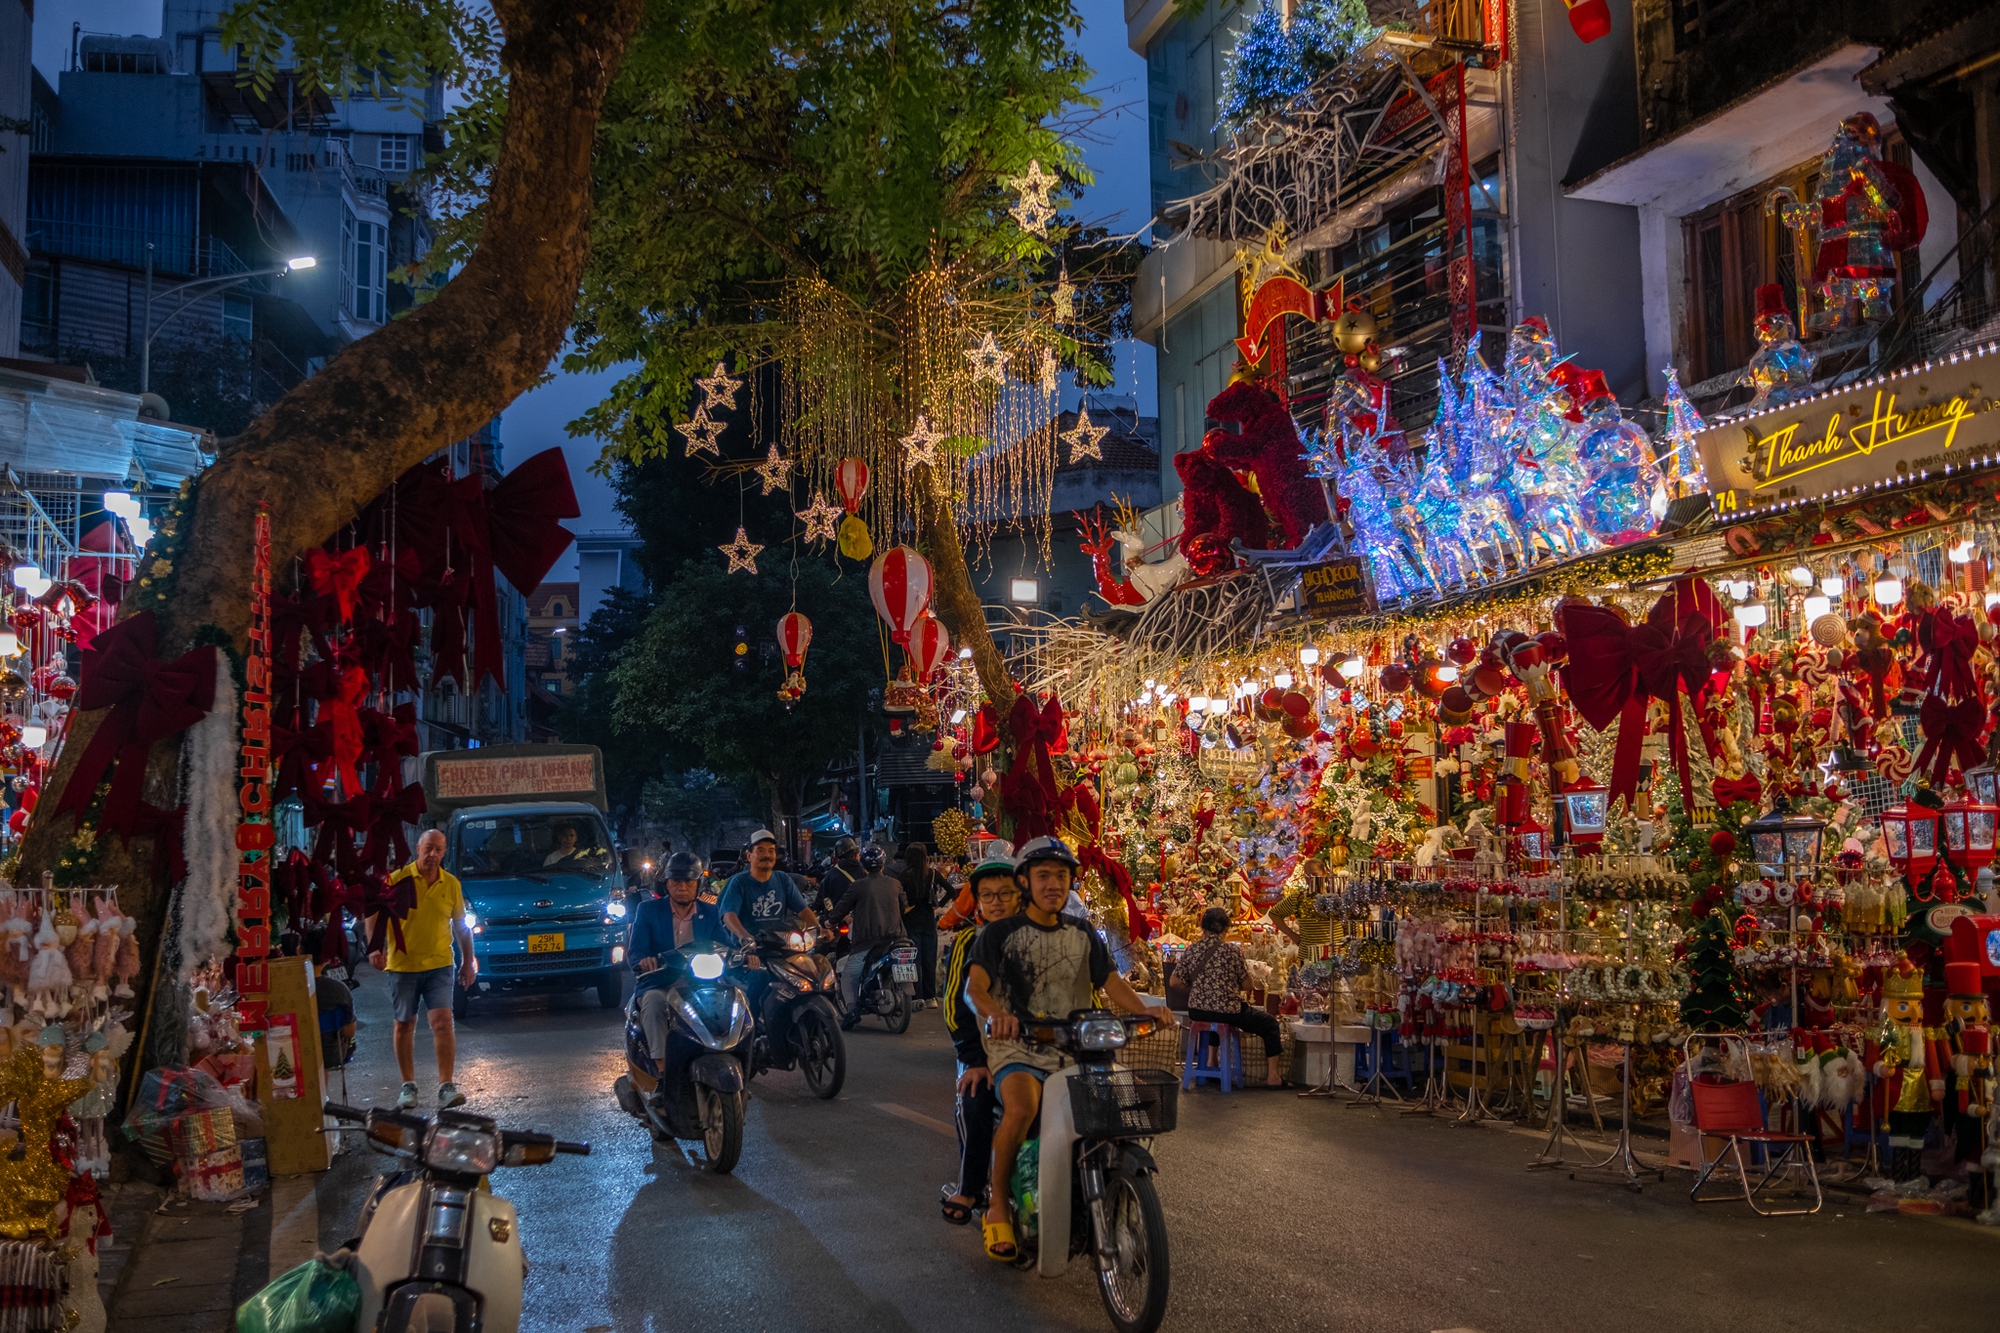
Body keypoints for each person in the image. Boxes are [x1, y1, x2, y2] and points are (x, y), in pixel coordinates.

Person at [966, 836, 1158, 1262]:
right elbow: (974, 987)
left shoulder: (1083, 932)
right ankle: (997, 1202)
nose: (1053, 884)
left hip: (1077, 1047)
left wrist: (1149, 1012)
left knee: (1119, 1109)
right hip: (1018, 1046)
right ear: (1026, 882)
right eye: (1044, 875)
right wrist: (998, 1013)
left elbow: (1109, 981)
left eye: (1061, 875)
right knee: (1022, 1107)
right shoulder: (1000, 933)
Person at [367, 829, 476, 1109]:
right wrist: (374, 947)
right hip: (403, 965)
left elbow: (462, 927)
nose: (433, 855)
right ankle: (408, 1085)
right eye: (429, 848)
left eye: (439, 850)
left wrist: (467, 961)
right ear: (418, 848)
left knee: (442, 1022)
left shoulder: (451, 884)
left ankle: (446, 1085)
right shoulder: (397, 879)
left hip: (440, 963)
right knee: (404, 1024)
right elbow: (373, 911)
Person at [938, 856, 1020, 1226]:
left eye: (1005, 893)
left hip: (1036, 1047)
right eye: (987, 896)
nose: (997, 902)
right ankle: (970, 1187)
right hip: (984, 1050)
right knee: (975, 1100)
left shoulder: (1041, 936)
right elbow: (955, 1003)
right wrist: (972, 1058)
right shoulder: (969, 940)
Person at [626, 852, 723, 1091]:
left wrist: (741, 955)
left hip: (702, 983)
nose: (682, 887)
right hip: (660, 982)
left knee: (736, 1003)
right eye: (676, 882)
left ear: (698, 885)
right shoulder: (647, 911)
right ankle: (662, 1073)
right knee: (654, 1003)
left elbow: (725, 945)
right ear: (667, 883)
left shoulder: (711, 913)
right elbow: (635, 952)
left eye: (689, 882)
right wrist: (645, 961)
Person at [1181, 906, 1287, 1087]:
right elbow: (1248, 985)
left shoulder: (1191, 950)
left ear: (1203, 927)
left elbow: (1175, 981)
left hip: (1197, 1011)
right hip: (1227, 1010)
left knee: (1214, 1015)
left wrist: (1198, 989)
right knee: (1269, 1024)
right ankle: (1273, 1077)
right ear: (1226, 929)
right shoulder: (1232, 951)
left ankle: (1211, 1062)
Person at [824, 844, 907, 1029]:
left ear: (864, 866)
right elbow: (903, 907)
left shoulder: (858, 886)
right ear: (883, 865)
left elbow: (840, 909)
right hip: (897, 938)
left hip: (868, 942)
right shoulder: (895, 884)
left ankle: (852, 1010)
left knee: (849, 976)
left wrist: (830, 921)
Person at [719, 829, 819, 945]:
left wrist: (818, 929)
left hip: (778, 946)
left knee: (816, 961)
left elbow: (803, 910)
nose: (766, 855)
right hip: (747, 950)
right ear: (749, 856)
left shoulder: (783, 879)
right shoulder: (739, 882)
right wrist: (744, 936)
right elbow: (729, 915)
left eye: (771, 851)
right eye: (760, 850)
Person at [899, 842, 949, 1008]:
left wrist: (903, 909)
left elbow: (898, 897)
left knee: (915, 960)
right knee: (929, 960)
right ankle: (931, 997)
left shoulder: (904, 876)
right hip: (929, 920)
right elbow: (951, 890)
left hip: (911, 920)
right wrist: (939, 904)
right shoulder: (933, 874)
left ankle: (917, 996)